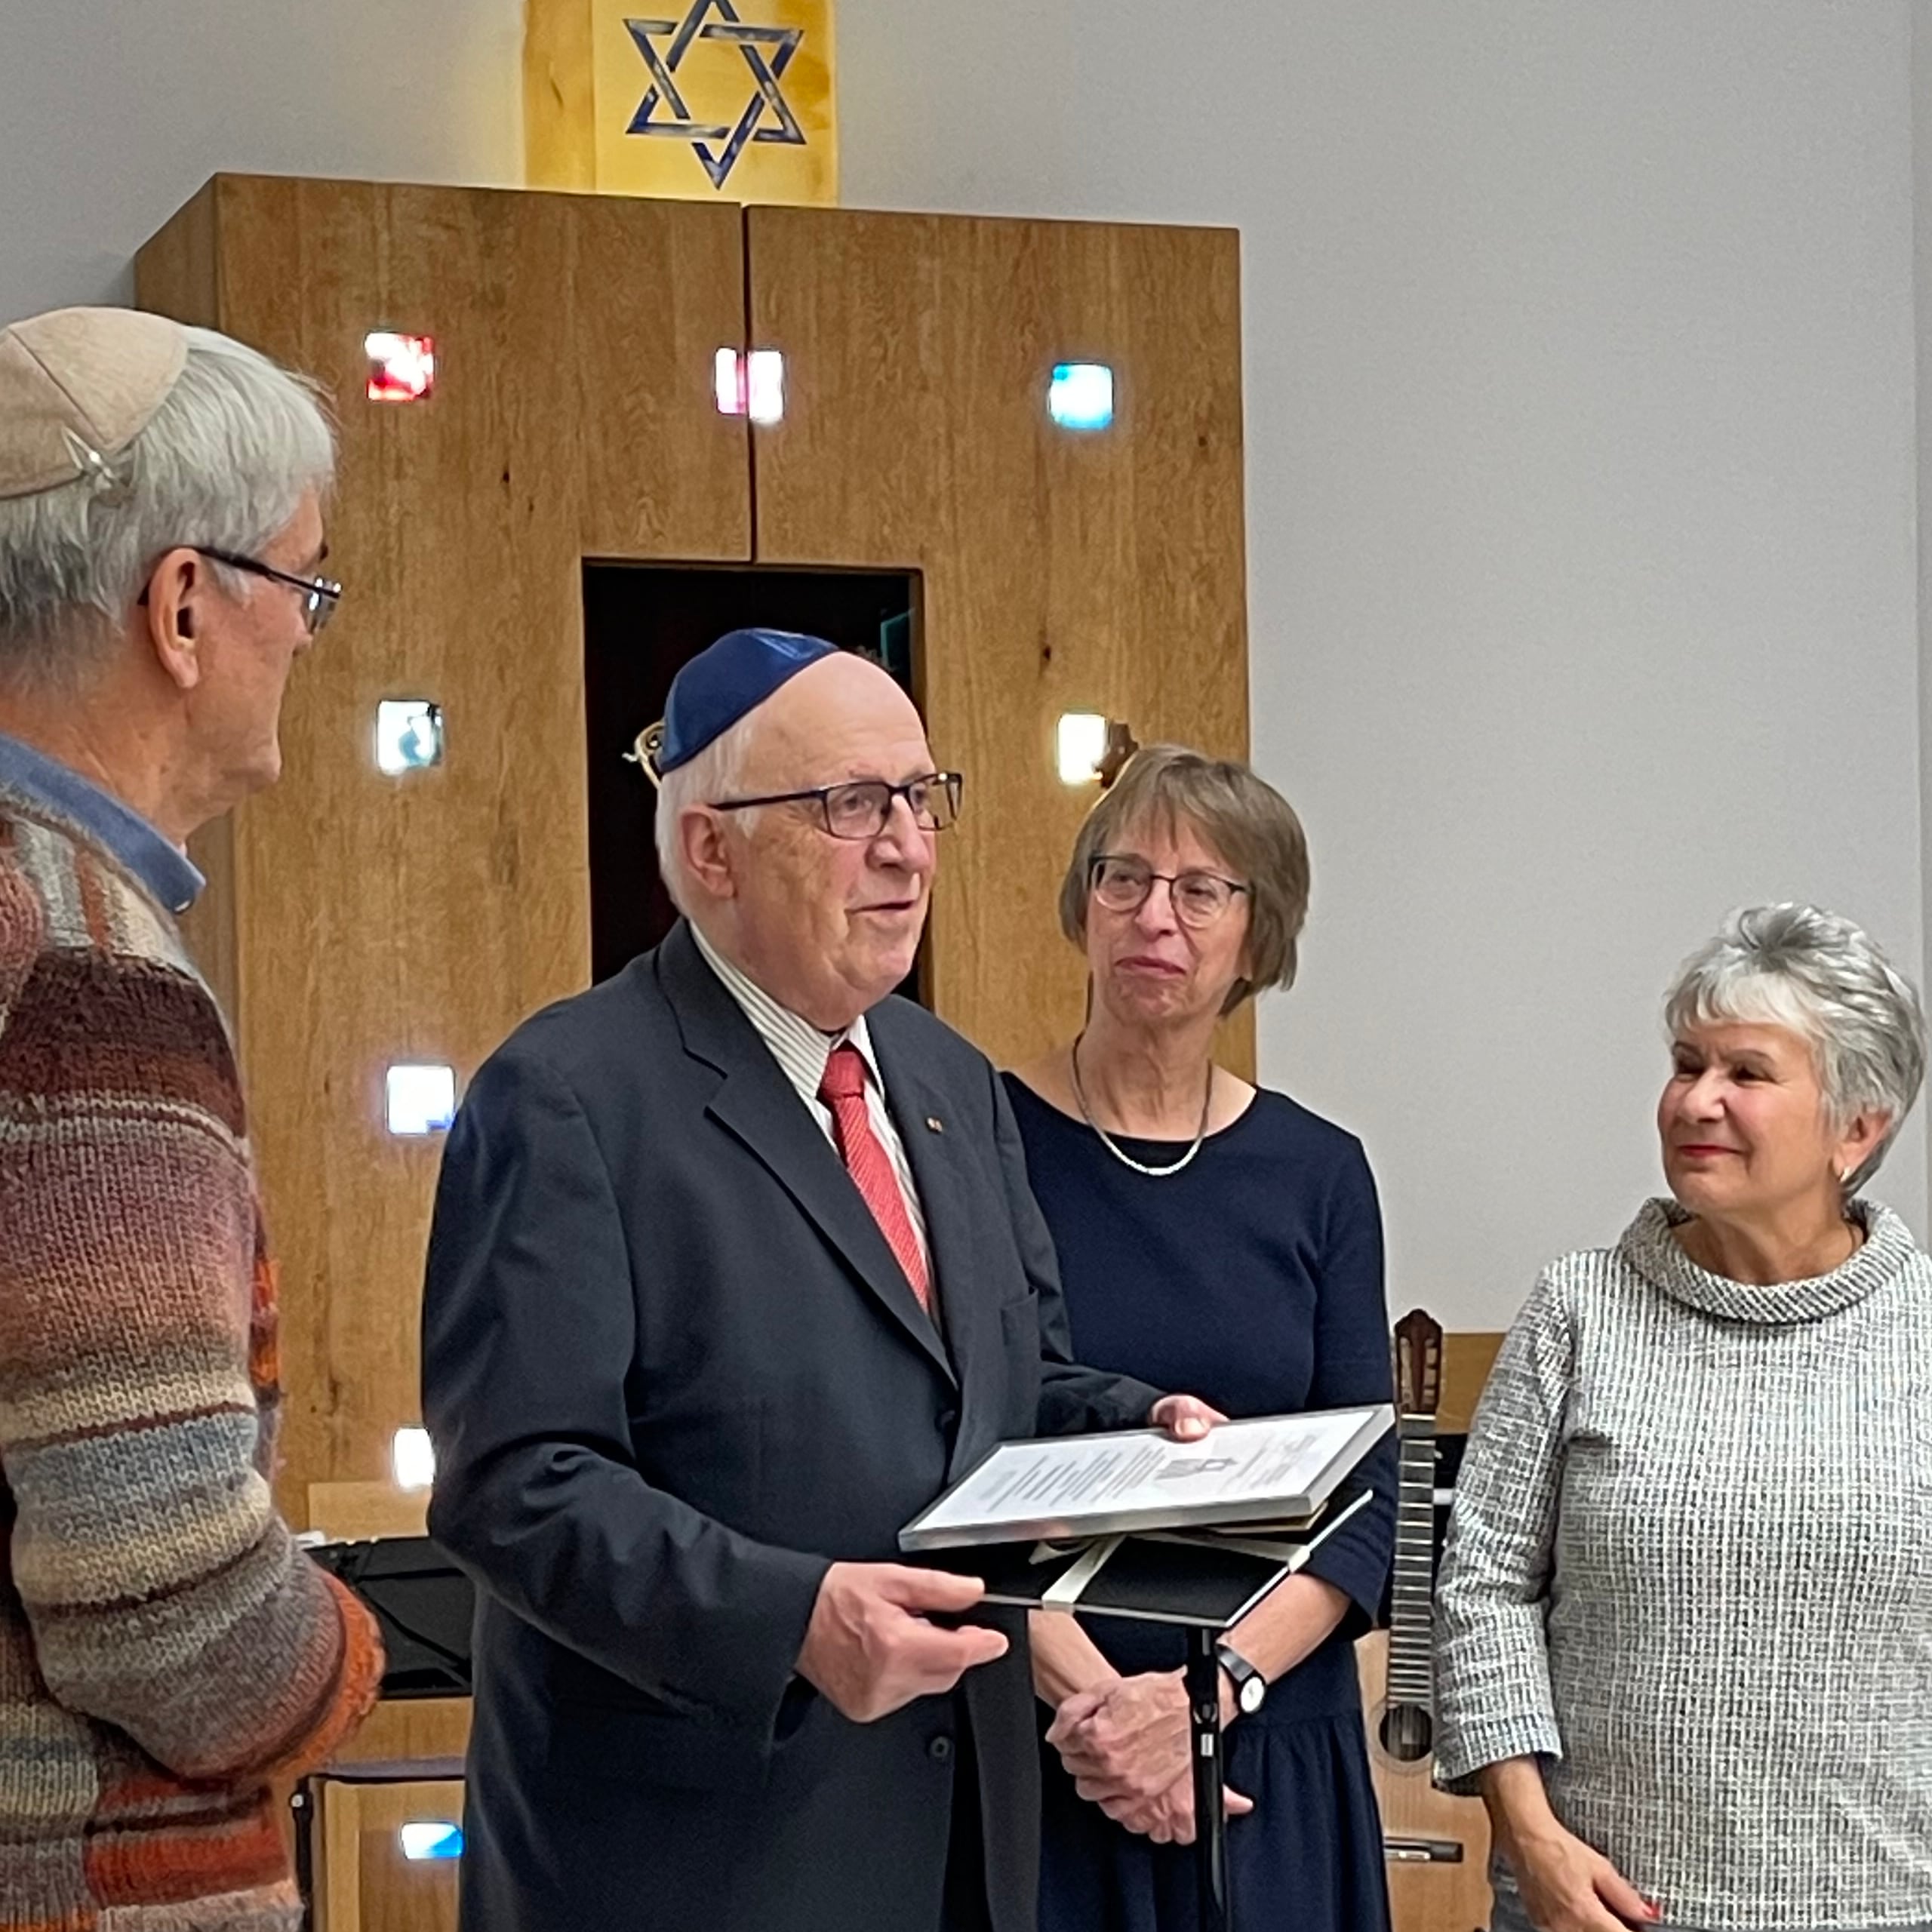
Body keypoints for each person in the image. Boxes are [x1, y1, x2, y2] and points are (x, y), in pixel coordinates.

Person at [419, 629, 1222, 1932]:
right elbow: (517, 1487)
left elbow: (1006, 1390)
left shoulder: (951, 1081)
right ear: (711, 849)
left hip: (962, 1845)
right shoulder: (568, 1094)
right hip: (694, 1866)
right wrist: (792, 1618)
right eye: (851, 806)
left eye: (921, 798)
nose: (907, 847)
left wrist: (1145, 1434)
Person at [0, 306, 380, 1930]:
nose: (307, 628)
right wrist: (358, 1655)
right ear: (179, 603)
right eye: (301, 582)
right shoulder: (80, 963)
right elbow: (164, 1613)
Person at [1435, 903, 1932, 1932]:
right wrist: (1534, 1849)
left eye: (1746, 1074)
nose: (1697, 1101)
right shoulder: (1578, 1310)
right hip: (1599, 1910)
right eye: (1686, 1063)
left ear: (1858, 1124)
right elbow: (1481, 1595)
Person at [1004, 744, 1395, 1932]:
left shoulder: (1321, 1173)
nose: (1153, 917)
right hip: (1050, 1732)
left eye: (1200, 890)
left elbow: (1366, 1493)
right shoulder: (977, 1138)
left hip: (1270, 1731)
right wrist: (1102, 1713)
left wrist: (1209, 1696)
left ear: (1257, 936)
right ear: (1083, 906)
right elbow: (946, 1450)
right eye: (1123, 879)